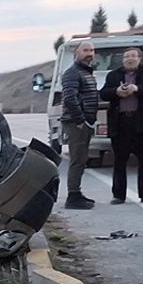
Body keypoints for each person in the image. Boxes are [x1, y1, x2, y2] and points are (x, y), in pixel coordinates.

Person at [98, 47, 143, 203]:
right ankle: (118, 195)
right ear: (122, 60)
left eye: (133, 56)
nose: (130, 59)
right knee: (119, 160)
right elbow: (103, 93)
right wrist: (116, 91)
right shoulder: (114, 75)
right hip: (120, 123)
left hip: (140, 122)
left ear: (139, 58)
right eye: (126, 57)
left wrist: (137, 89)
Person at [59, 41, 98, 209]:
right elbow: (69, 97)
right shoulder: (72, 73)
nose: (89, 53)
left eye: (91, 50)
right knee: (77, 160)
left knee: (81, 159)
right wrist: (80, 120)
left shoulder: (86, 72)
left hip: (85, 122)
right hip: (77, 123)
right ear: (76, 53)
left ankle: (76, 192)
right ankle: (72, 196)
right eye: (85, 50)